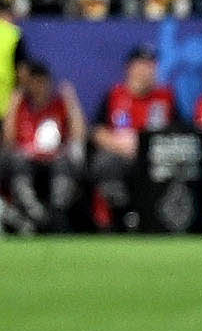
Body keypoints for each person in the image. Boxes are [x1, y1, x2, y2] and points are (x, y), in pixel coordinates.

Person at [89, 44, 180, 226]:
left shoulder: (165, 97)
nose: (146, 71)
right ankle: (123, 214)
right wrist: (121, 146)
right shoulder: (115, 95)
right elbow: (97, 131)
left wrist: (147, 147)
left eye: (151, 65)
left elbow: (180, 132)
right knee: (104, 163)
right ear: (130, 68)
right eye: (142, 65)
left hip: (156, 159)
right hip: (122, 156)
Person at [5, 50, 87, 230]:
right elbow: (9, 142)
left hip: (56, 159)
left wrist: (71, 102)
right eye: (34, 82)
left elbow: (79, 136)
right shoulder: (22, 107)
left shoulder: (59, 105)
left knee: (67, 161)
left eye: (42, 82)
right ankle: (33, 211)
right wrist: (13, 105)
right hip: (27, 159)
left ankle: (57, 212)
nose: (39, 87)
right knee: (16, 161)